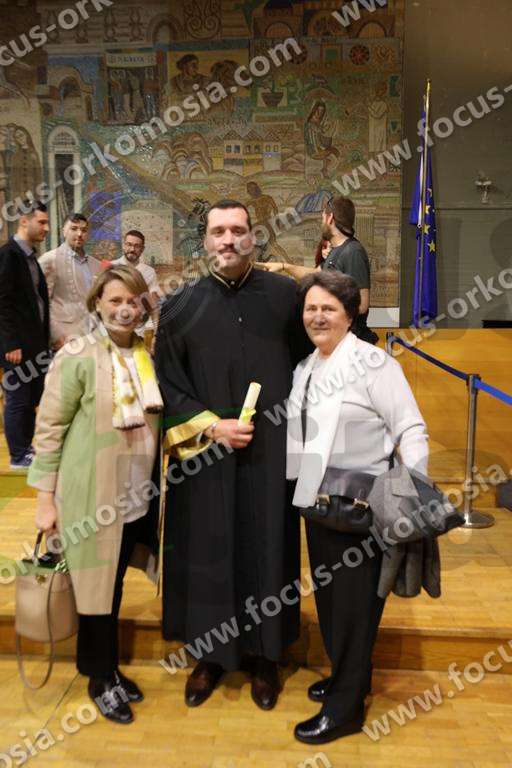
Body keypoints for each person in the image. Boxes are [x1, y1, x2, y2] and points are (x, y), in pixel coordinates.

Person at [155, 199, 308, 711]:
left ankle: (266, 657)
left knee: (269, 545)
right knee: (208, 552)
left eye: (238, 230)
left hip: (271, 452)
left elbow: (308, 363)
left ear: (253, 237)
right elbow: (167, 381)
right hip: (206, 457)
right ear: (204, 240)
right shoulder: (179, 305)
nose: (228, 239)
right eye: (218, 231)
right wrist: (210, 426)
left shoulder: (285, 297)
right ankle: (209, 656)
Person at [287, 271, 428, 744]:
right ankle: (350, 679)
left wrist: (412, 492)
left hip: (363, 506)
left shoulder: (374, 363)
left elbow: (411, 428)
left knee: (355, 609)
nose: (318, 316)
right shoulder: (307, 365)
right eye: (311, 308)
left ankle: (345, 710)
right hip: (318, 502)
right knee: (333, 604)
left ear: (350, 315)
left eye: (328, 308)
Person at [29, 265, 163, 725]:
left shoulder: (146, 355)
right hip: (91, 495)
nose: (125, 309)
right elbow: (49, 428)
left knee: (114, 583)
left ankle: (110, 668)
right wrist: (45, 499)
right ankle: (99, 678)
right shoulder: (78, 355)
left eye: (133, 301)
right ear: (97, 304)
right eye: (115, 300)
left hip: (135, 494)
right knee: (94, 590)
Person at [262, 195, 377, 343]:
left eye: (323, 218)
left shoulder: (353, 251)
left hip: (350, 345)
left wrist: (324, 307)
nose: (322, 223)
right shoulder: (336, 251)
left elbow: (362, 305)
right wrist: (284, 267)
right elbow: (315, 274)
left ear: (330, 218)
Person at [0, 200, 50, 470]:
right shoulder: (9, 255)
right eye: (41, 222)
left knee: (31, 399)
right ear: (23, 221)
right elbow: (3, 303)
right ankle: (18, 455)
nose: (46, 228)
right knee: (18, 400)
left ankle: (27, 449)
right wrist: (11, 343)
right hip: (17, 348)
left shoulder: (30, 258)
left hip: (35, 345)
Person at [39, 213, 103, 350]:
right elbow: (42, 303)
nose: (79, 234)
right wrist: (56, 336)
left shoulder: (96, 265)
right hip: (64, 340)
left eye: (84, 230)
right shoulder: (49, 260)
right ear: (64, 231)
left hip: (93, 338)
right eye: (74, 228)